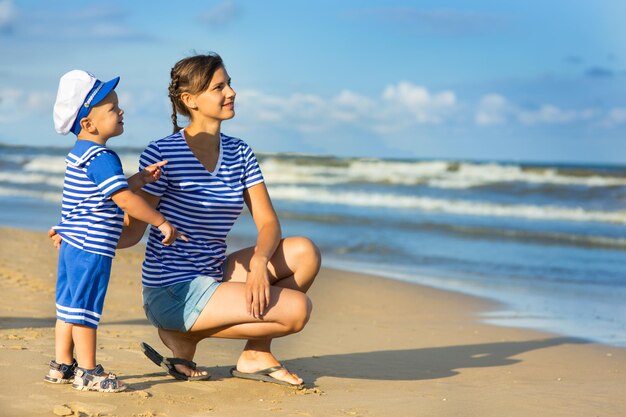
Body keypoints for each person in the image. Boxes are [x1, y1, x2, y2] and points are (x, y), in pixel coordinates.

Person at [118, 53, 321, 386]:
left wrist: (259, 264)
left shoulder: (240, 152)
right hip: (172, 289)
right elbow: (133, 231)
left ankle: (255, 353)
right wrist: (86, 229)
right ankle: (182, 334)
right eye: (219, 87)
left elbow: (269, 223)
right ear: (190, 100)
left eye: (229, 84)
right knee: (297, 311)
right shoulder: (163, 153)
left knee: (305, 252)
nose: (231, 93)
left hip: (213, 272)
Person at [45, 70, 185, 393]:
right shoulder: (104, 157)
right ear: (88, 124)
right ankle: (89, 371)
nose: (120, 111)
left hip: (73, 243)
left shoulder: (80, 155)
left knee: (68, 306)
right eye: (112, 108)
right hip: (91, 248)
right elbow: (123, 199)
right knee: (86, 310)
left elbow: (102, 193)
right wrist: (160, 221)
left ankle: (62, 365)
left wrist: (141, 179)